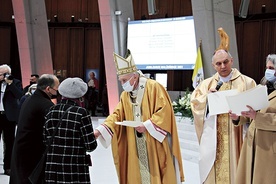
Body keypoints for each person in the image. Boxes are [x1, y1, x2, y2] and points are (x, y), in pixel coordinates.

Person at [94, 50, 184, 184]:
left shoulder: (154, 87)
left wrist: (147, 125)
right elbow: (117, 115)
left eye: (124, 80)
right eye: (121, 81)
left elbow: (164, 111)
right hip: (133, 144)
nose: (123, 84)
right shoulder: (125, 95)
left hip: (153, 143)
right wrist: (101, 129)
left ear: (134, 77)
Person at [191, 48, 256, 184]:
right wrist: (207, 100)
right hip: (214, 140)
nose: (223, 66)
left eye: (225, 62)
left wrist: (239, 118)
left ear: (231, 61)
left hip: (237, 137)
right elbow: (196, 105)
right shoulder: (206, 84)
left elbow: (256, 112)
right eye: (218, 63)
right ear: (213, 65)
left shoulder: (247, 83)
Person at [229, 54, 276, 184]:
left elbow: (259, 115)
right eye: (267, 67)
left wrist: (258, 117)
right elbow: (254, 112)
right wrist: (239, 117)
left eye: (271, 68)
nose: (268, 71)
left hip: (269, 147)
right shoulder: (264, 87)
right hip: (253, 142)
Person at [44, 77, 97, 183]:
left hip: (53, 167)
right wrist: (93, 136)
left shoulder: (51, 111)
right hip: (74, 168)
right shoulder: (81, 113)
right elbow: (90, 146)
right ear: (81, 96)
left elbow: (45, 139)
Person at [10, 74, 60, 184]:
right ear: (48, 89)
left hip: (21, 148)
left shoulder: (29, 99)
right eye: (56, 89)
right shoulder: (46, 105)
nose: (57, 92)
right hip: (32, 153)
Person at [0, 64, 22, 175]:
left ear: (7, 74)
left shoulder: (16, 82)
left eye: (2, 74)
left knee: (9, 142)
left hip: (8, 116)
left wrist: (10, 84)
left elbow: (20, 95)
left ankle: (8, 166)